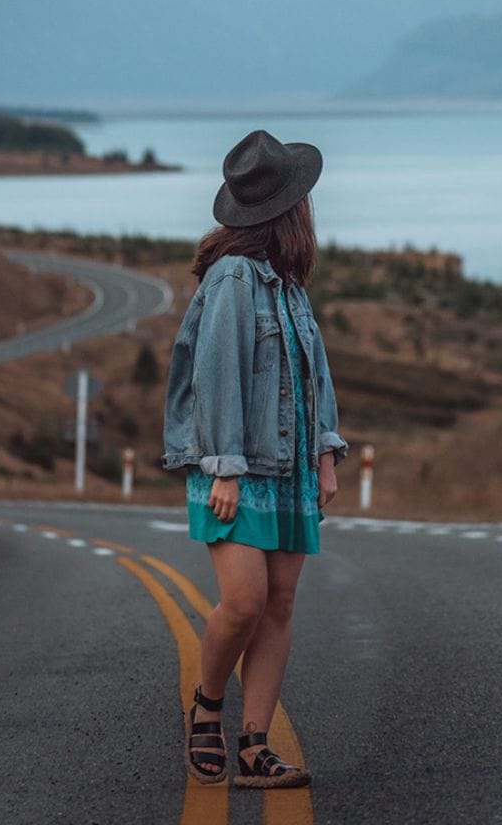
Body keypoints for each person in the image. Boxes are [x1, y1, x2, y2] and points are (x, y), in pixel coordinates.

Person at [163, 128, 348, 789]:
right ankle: (208, 709)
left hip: (291, 472)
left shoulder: (288, 286)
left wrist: (326, 456)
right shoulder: (235, 277)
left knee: (279, 608)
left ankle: (253, 748)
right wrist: (225, 468)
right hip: (234, 469)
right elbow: (215, 376)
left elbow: (314, 376)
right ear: (290, 209)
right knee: (243, 603)